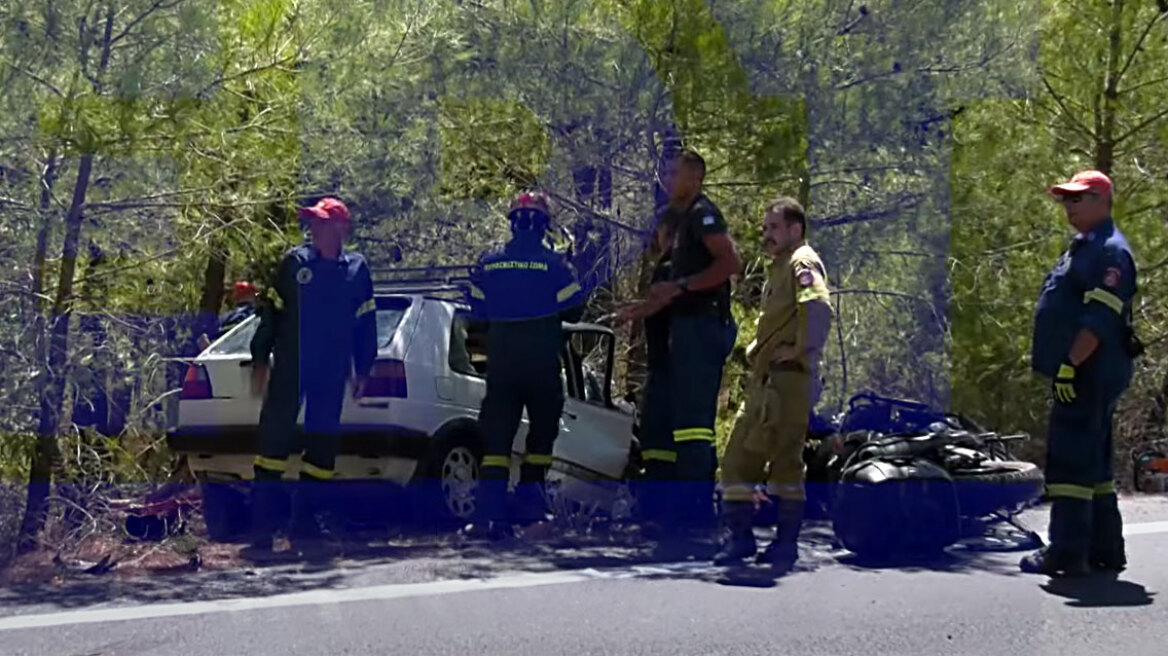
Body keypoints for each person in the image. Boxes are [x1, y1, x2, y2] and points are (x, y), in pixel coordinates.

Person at [245, 196, 379, 559]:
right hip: (292, 367)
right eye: (312, 223)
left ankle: (304, 527)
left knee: (321, 449)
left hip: (331, 372)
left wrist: (364, 368)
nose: (314, 228)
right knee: (272, 448)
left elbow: (365, 322)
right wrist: (260, 358)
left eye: (322, 222)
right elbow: (270, 313)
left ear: (340, 229)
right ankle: (261, 534)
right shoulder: (294, 263)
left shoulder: (357, 269)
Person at [1022, 170, 1138, 577]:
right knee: (1096, 465)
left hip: (1088, 371)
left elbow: (1099, 320)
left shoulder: (1109, 252)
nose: (1068, 207)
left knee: (1071, 461)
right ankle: (1105, 549)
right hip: (1087, 371)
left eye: (1078, 199)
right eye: (1066, 200)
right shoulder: (1086, 247)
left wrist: (1070, 366)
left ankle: (1067, 553)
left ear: (1101, 201)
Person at [713, 196, 832, 572]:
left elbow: (818, 308)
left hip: (786, 384)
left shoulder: (802, 262)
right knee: (746, 462)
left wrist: (799, 351)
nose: (766, 235)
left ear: (796, 230)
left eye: (774, 228)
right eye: (765, 229)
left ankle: (779, 544)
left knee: (777, 464)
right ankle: (748, 540)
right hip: (769, 382)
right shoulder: (781, 266)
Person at [463, 190, 586, 540]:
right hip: (542, 365)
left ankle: (489, 516)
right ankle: (532, 511)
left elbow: (475, 315)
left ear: (513, 223)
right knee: (540, 439)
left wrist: (487, 353)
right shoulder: (557, 266)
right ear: (544, 225)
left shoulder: (489, 263)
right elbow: (576, 310)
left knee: (496, 442)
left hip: (501, 365)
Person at [641, 149, 741, 549]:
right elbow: (663, 279)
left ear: (695, 178)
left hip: (700, 328)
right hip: (671, 334)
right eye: (664, 171)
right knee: (659, 420)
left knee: (692, 424)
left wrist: (682, 288)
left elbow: (730, 262)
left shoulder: (703, 215)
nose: (667, 177)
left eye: (674, 171)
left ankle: (697, 515)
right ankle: (662, 511)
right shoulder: (674, 221)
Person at [617, 218, 677, 528]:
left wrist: (632, 312)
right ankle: (662, 508)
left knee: (658, 439)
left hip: (667, 368)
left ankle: (657, 510)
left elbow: (660, 303)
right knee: (661, 439)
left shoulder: (670, 268)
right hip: (669, 366)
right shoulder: (681, 270)